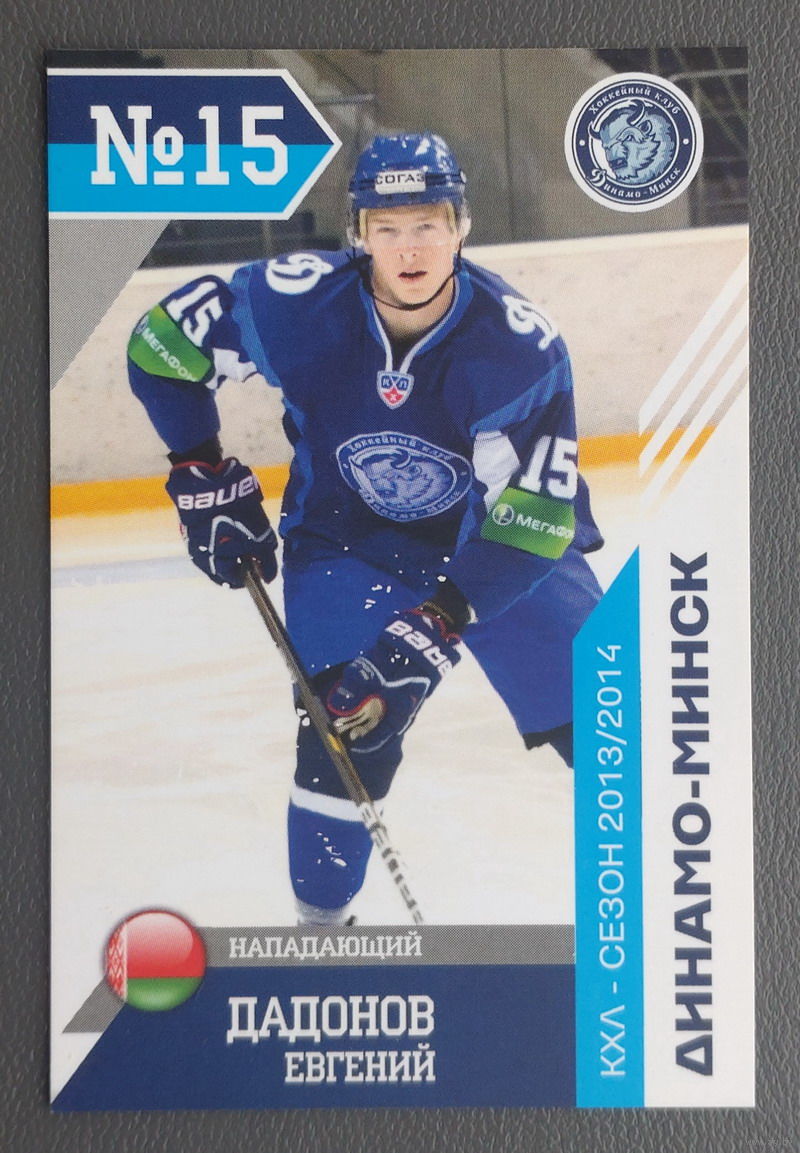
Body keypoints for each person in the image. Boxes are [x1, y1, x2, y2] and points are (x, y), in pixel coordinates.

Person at [127, 133, 603, 925]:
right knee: (345, 731)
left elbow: (536, 516)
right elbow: (160, 346)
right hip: (349, 537)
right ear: (358, 234)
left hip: (494, 547)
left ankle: (680, 903)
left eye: (427, 225)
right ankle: (323, 943)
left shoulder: (520, 346)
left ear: (460, 226)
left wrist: (441, 617)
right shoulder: (293, 303)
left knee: (608, 722)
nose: (409, 248)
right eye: (387, 228)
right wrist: (197, 467)